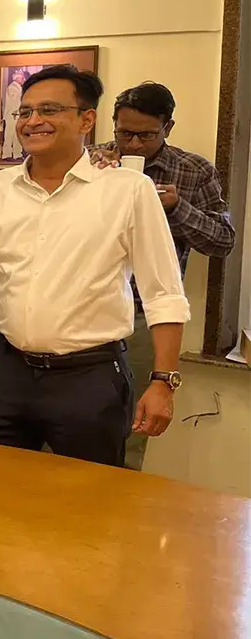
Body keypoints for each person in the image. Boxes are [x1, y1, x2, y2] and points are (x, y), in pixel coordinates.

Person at [0, 65, 190, 468]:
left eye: (49, 110)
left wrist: (163, 381)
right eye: (25, 111)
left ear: (87, 119)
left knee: (87, 495)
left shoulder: (128, 190)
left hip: (90, 377)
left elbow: (164, 293)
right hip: (7, 372)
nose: (33, 121)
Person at [90, 82, 235, 470]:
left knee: (131, 428)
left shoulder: (193, 171)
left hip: (144, 317)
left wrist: (176, 207)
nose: (134, 144)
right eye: (125, 133)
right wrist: (95, 183)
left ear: (167, 127)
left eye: (146, 135)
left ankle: (120, 498)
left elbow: (223, 241)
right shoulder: (91, 162)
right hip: (87, 312)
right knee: (67, 419)